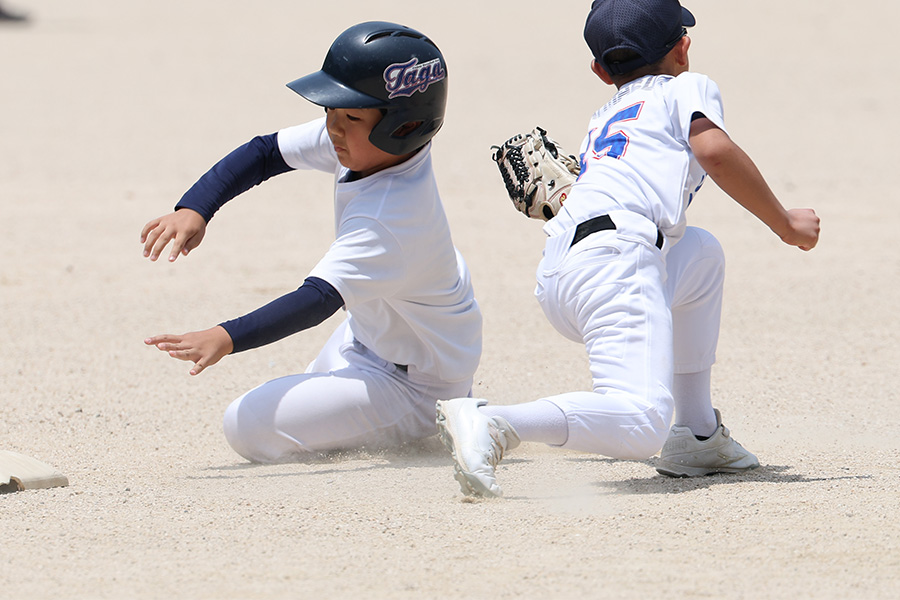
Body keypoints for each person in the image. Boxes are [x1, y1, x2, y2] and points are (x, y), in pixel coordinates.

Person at [436, 0, 820, 498]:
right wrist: (785, 222)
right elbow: (713, 150)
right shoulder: (686, 87)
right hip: (617, 263)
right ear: (684, 49)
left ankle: (698, 435)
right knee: (641, 421)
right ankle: (497, 423)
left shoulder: (604, 117)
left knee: (700, 256)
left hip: (564, 269)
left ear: (600, 71)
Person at [142, 22, 482, 462]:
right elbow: (266, 151)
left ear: (404, 125)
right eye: (331, 113)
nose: (333, 128)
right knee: (292, 405)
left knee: (247, 426)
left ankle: (441, 419)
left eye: (350, 116)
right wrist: (195, 207)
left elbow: (317, 300)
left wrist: (225, 336)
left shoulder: (392, 217)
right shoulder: (369, 145)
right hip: (373, 336)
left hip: (417, 384)